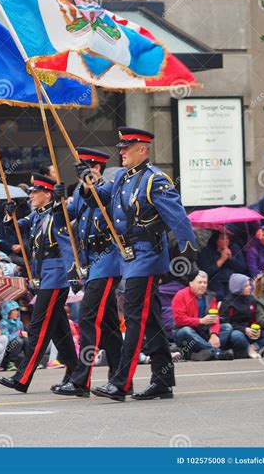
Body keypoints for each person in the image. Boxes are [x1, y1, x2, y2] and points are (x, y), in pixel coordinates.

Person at [77, 127, 198, 402]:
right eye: (121, 147)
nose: (121, 151)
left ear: (142, 150)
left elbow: (178, 217)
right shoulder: (122, 177)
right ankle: (163, 380)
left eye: (126, 147)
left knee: (133, 317)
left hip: (147, 257)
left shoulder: (155, 180)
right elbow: (101, 196)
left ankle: (121, 382)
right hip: (129, 258)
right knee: (151, 320)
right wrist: (87, 178)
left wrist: (189, 253)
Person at [51, 148, 125, 398]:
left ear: (98, 168)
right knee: (109, 325)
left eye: (88, 168)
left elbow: (101, 199)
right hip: (91, 262)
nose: (83, 173)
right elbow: (64, 221)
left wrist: (90, 183)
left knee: (87, 317)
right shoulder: (79, 191)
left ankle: (81, 379)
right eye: (80, 169)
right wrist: (57, 202)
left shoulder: (111, 186)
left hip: (109, 260)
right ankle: (121, 381)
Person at [0, 173, 78, 393]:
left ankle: (22, 377)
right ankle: (76, 372)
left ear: (48, 194)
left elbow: (67, 223)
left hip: (57, 275)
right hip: (43, 275)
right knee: (59, 329)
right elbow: (14, 228)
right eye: (30, 192)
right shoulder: (36, 216)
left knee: (38, 327)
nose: (31, 196)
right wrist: (8, 214)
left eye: (35, 192)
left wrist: (61, 201)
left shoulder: (58, 213)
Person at [172, 271, 235, 361]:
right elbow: (179, 320)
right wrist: (201, 321)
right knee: (186, 331)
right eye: (199, 282)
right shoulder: (180, 295)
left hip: (203, 332)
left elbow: (215, 318)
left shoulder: (210, 296)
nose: (203, 285)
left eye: (205, 282)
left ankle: (198, 353)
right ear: (191, 283)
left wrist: (214, 334)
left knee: (227, 327)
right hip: (183, 333)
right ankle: (215, 352)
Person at [221, 273, 264, 358]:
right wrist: (244, 330)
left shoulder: (251, 299)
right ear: (238, 287)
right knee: (236, 336)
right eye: (246, 286)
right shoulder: (227, 302)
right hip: (237, 331)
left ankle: (252, 348)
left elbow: (254, 318)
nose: (250, 287)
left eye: (249, 285)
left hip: (250, 331)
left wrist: (256, 329)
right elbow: (225, 324)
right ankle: (248, 350)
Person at [198, 231, 248, 301]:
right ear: (216, 240)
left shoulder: (234, 248)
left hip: (231, 279)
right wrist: (221, 260)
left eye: (228, 238)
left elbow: (242, 268)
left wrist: (231, 259)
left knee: (232, 296)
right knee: (219, 295)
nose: (226, 241)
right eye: (222, 238)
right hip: (215, 281)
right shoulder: (207, 251)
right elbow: (206, 272)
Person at [0, 300, 28, 371]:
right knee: (18, 341)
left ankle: (30, 361)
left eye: (17, 310)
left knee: (27, 340)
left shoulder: (19, 323)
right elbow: (6, 338)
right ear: (7, 312)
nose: (16, 312)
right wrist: (19, 333)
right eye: (13, 311)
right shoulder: (3, 323)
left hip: (18, 347)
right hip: (8, 349)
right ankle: (10, 362)